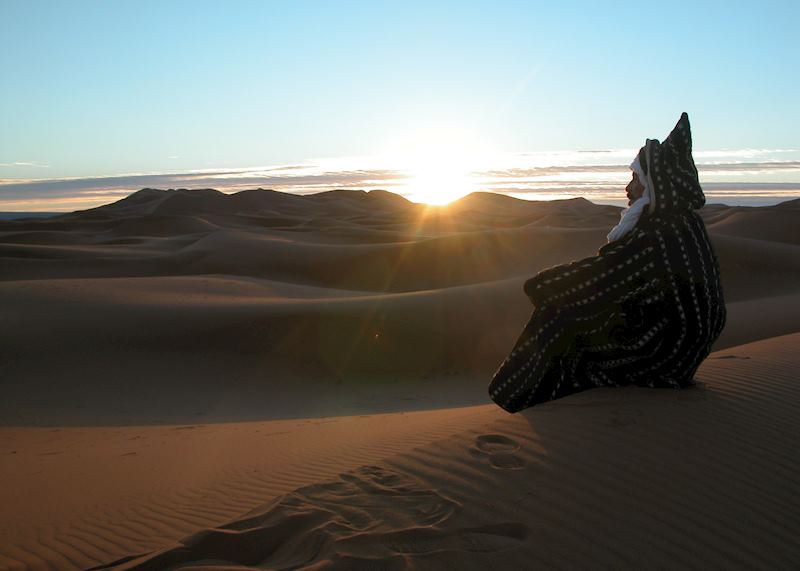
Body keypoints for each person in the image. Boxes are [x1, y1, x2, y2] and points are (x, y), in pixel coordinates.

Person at [488, 113, 726, 413]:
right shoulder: (685, 225)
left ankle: (520, 402)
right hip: (683, 350)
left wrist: (541, 285)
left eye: (635, 179)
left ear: (654, 184)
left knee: (557, 316)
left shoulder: (658, 232)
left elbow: (604, 277)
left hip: (662, 353)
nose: (628, 189)